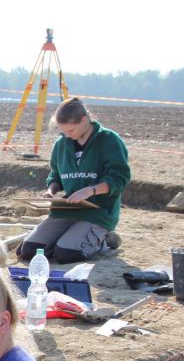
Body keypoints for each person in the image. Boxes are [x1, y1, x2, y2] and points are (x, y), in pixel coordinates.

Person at [16, 98, 130, 264]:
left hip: (98, 212)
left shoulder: (109, 140)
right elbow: (56, 174)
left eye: (70, 130)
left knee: (66, 254)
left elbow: (119, 178)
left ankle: (105, 240)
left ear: (84, 120)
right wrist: (50, 191)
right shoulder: (62, 144)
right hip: (67, 210)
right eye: (63, 131)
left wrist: (90, 190)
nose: (67, 135)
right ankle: (66, 238)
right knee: (28, 251)